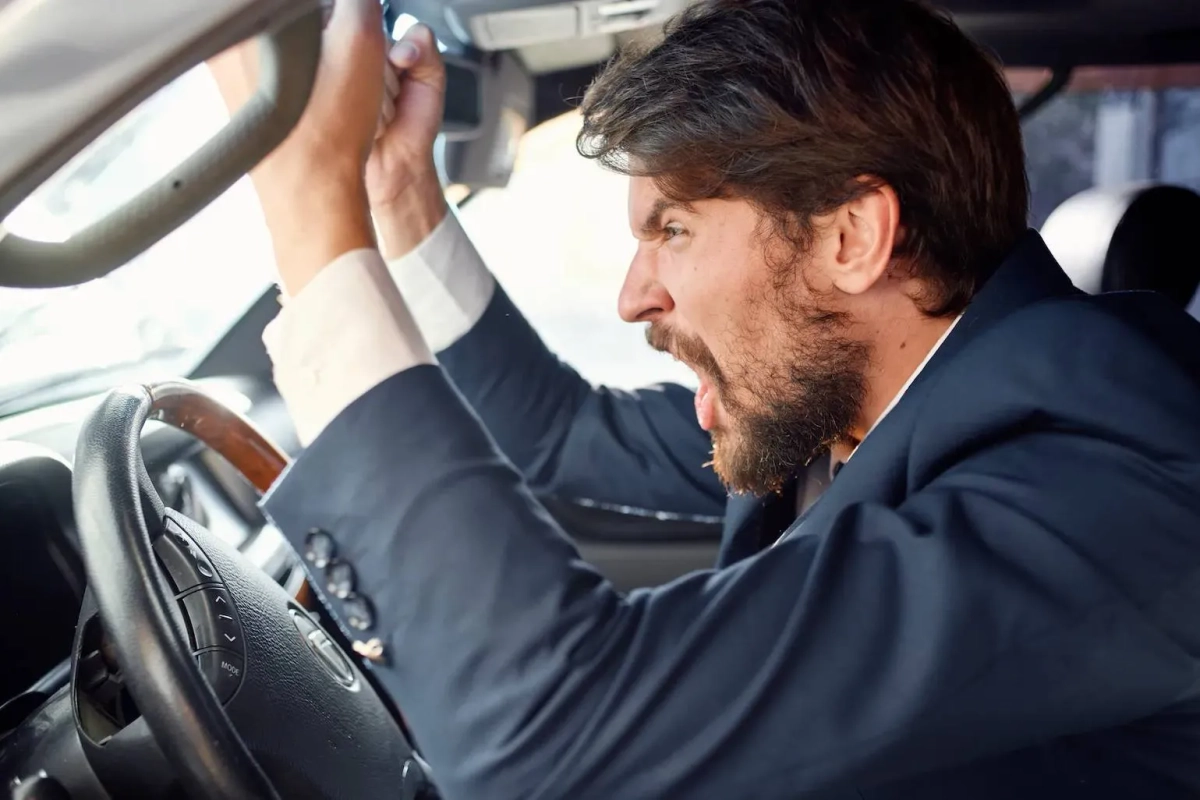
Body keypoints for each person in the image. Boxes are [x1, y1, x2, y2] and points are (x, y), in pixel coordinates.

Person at [209, 0, 1200, 797]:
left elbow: (560, 744)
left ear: (850, 238)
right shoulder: (845, 401)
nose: (633, 297)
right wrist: (392, 192)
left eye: (673, 230)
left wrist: (309, 207)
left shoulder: (1116, 479)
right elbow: (560, 433)